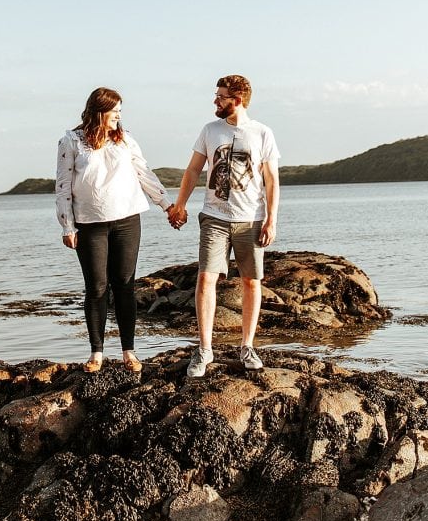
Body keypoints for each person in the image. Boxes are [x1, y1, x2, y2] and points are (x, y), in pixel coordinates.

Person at [168, 74, 280, 376]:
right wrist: (179, 204)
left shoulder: (262, 133)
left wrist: (272, 219)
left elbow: (271, 181)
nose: (215, 101)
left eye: (221, 96)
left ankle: (247, 346)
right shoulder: (210, 130)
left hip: (251, 220)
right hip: (214, 218)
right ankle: (204, 350)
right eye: (216, 95)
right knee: (206, 278)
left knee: (251, 282)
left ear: (238, 99)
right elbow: (193, 170)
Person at [56, 87, 174, 373]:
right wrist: (67, 225)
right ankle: (96, 353)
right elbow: (62, 185)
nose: (118, 117)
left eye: (120, 112)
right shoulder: (71, 141)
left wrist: (168, 205)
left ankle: (128, 351)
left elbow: (144, 174)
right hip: (89, 223)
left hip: (127, 220)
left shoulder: (125, 140)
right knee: (96, 287)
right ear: (99, 111)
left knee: (124, 284)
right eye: (115, 112)